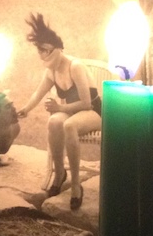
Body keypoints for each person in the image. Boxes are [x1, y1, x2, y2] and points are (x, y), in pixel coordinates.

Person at [15, 13, 101, 209]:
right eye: (41, 51)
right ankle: (60, 173)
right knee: (54, 121)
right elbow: (38, 92)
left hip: (93, 111)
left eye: (46, 50)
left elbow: (87, 103)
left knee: (69, 125)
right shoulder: (51, 71)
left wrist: (59, 107)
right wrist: (26, 109)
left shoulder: (75, 66)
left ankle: (76, 184)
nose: (43, 55)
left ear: (56, 49)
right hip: (73, 110)